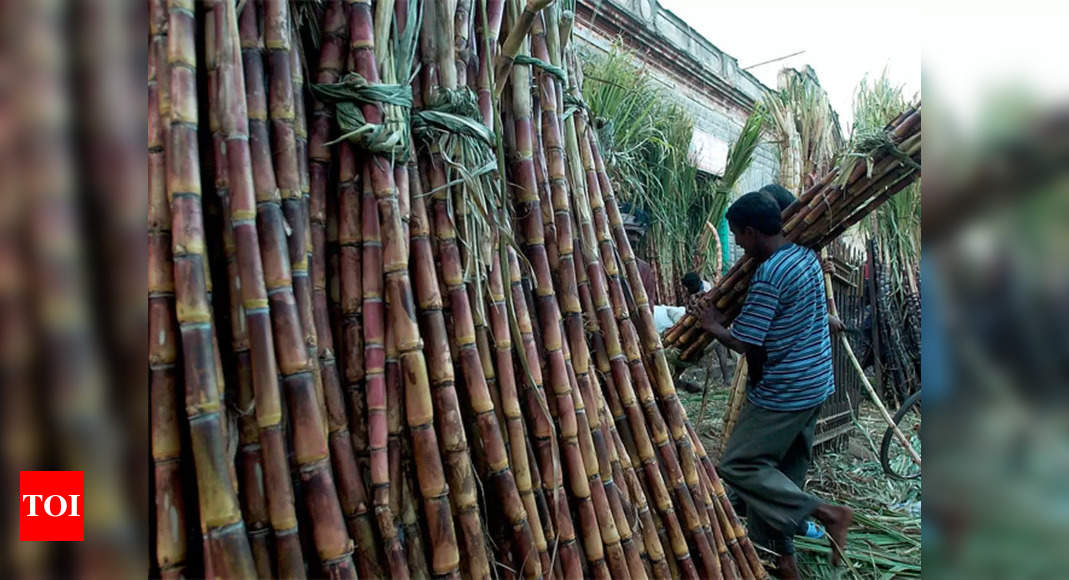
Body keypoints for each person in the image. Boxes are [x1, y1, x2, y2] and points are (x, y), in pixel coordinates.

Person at [695, 191, 852, 579]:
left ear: (751, 232)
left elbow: (746, 341)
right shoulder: (804, 256)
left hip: (784, 392)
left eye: (738, 236)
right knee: (780, 480)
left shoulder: (769, 275)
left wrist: (713, 324)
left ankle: (825, 513)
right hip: (816, 384)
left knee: (739, 465)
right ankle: (783, 563)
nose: (740, 246)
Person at [759, 183, 846, 334]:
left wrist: (822, 273)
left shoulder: (803, 250)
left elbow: (802, 293)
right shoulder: (771, 257)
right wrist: (824, 318)